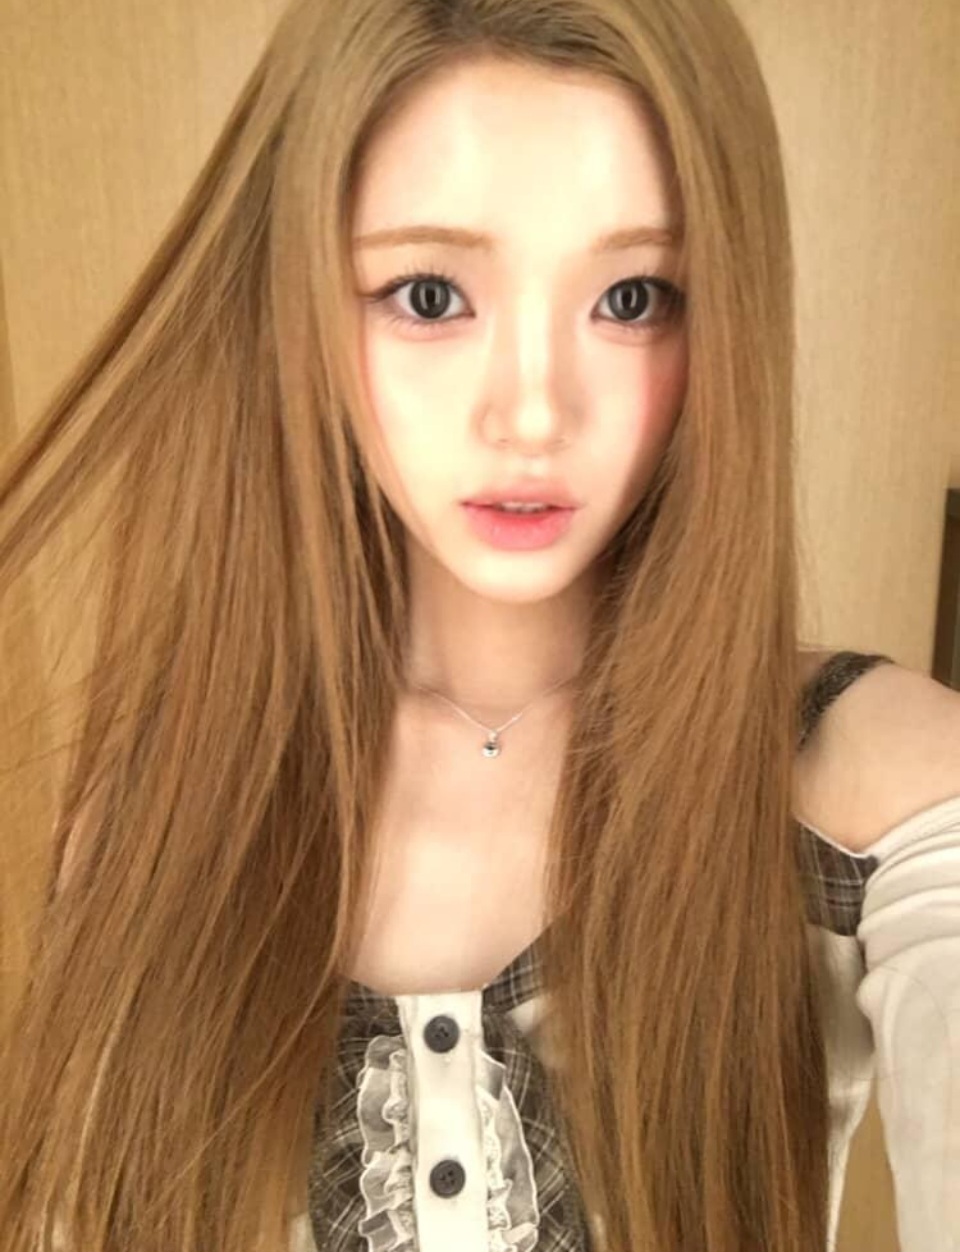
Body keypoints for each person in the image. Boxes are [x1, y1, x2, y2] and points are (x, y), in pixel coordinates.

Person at [0, 1, 957, 1250]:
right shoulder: (160, 808)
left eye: (632, 297)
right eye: (430, 293)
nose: (533, 414)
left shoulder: (875, 781)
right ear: (299, 307)